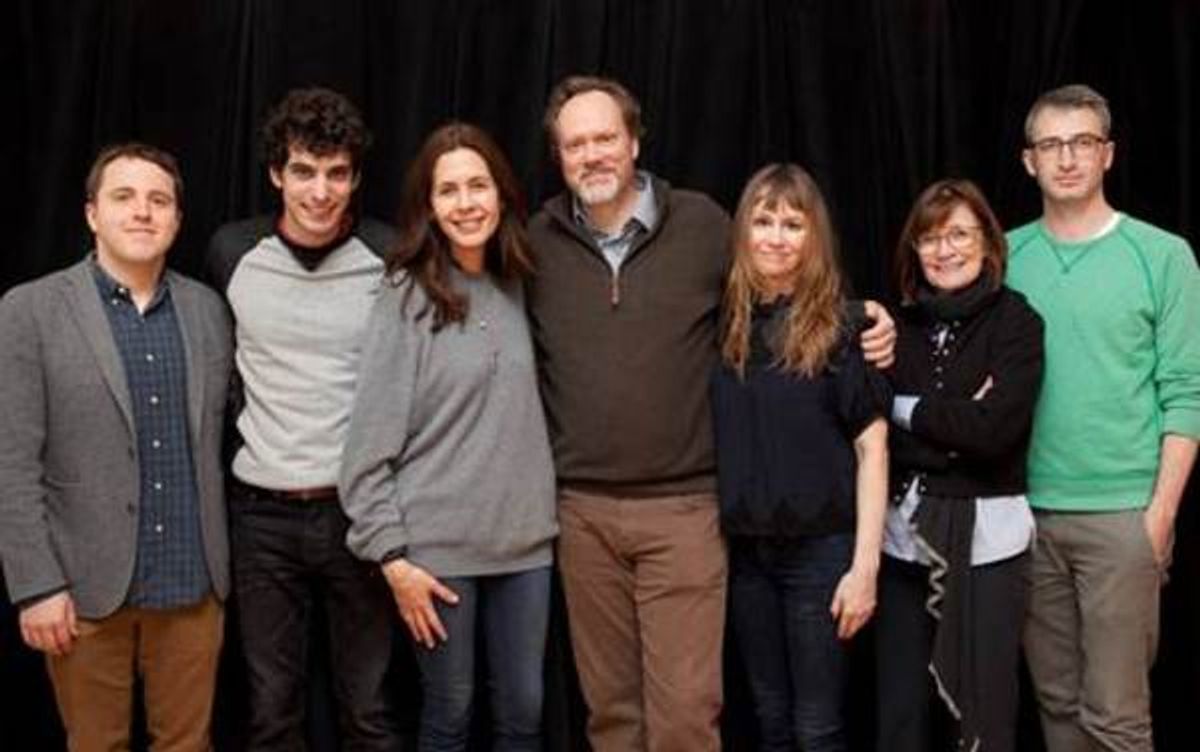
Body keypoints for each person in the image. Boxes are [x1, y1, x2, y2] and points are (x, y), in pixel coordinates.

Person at [526, 75, 896, 751]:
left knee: (687, 715)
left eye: (605, 137)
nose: (593, 154)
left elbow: (783, 272)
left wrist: (864, 317)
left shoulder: (702, 225)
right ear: (558, 156)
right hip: (580, 513)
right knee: (610, 713)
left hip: (685, 509)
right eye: (575, 144)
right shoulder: (536, 244)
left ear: (633, 140)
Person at [0, 143, 232, 751]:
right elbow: (12, 461)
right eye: (123, 197)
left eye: (159, 200)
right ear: (91, 213)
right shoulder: (30, 310)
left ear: (178, 220)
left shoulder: (209, 311)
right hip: (82, 587)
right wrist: (36, 584)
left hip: (191, 583)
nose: (142, 212)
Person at [339, 122, 558, 752]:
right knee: (450, 711)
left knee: (524, 712)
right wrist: (392, 558)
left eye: (478, 185)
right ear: (428, 206)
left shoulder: (521, 281)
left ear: (502, 194)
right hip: (437, 554)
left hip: (525, 545)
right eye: (449, 190)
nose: (466, 203)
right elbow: (366, 449)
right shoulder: (405, 296)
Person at [205, 87, 401, 750]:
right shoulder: (232, 252)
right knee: (270, 711)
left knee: (369, 709)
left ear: (355, 178)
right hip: (261, 516)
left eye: (337, 173)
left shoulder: (389, 254)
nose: (320, 191)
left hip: (360, 513)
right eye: (304, 171)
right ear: (275, 173)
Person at [1008, 84, 1200, 751]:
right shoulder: (1003, 259)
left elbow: (1185, 393)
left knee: (1116, 718)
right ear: (1029, 161)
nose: (1067, 158)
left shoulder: (1164, 256)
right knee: (1057, 708)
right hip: (1026, 517)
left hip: (1122, 516)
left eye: (1082, 142)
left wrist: (1159, 518)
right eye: (1051, 144)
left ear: (1107, 154)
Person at [710, 163, 888, 751]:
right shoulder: (724, 326)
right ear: (743, 231)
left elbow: (873, 446)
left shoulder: (840, 326)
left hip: (821, 553)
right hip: (748, 556)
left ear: (815, 237)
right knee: (770, 718)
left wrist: (865, 570)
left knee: (818, 727)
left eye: (793, 223)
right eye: (763, 221)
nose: (776, 237)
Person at [876, 179, 1044, 752]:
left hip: (991, 546)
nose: (944, 250)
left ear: (989, 245)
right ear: (913, 250)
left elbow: (996, 434)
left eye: (958, 234)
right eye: (929, 237)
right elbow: (875, 434)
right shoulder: (894, 328)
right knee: (900, 715)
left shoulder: (1017, 322)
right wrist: (952, 423)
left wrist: (906, 410)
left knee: (985, 711)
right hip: (901, 544)